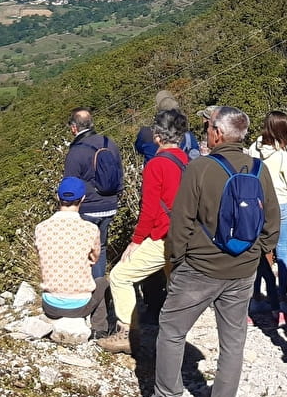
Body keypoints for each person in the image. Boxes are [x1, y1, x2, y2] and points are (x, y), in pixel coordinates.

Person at [134, 107, 280, 397]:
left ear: (217, 133)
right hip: (242, 272)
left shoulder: (200, 167)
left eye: (210, 127)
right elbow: (272, 222)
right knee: (232, 341)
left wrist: (176, 258)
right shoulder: (259, 169)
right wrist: (257, 251)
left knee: (171, 329)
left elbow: (181, 222)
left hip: (198, 268)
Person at [97, 109, 189, 354]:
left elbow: (149, 209)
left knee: (120, 276)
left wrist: (135, 242)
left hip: (162, 235)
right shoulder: (186, 160)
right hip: (184, 235)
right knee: (174, 285)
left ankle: (127, 334)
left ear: (158, 136)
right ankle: (172, 336)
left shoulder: (156, 164)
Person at [248, 110, 287, 324]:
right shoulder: (285, 152)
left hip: (258, 203)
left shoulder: (255, 148)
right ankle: (279, 306)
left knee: (257, 251)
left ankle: (254, 299)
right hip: (281, 204)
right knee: (281, 253)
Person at [35, 177, 110, 323]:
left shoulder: (41, 228)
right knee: (102, 282)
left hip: (50, 306)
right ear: (82, 199)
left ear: (58, 197)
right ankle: (99, 329)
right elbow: (95, 258)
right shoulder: (90, 229)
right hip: (79, 307)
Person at [63, 108, 124, 284]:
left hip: (88, 208)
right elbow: (120, 172)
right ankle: (100, 288)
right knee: (101, 247)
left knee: (82, 250)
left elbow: (69, 187)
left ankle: (84, 289)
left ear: (74, 128)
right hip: (110, 206)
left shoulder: (76, 151)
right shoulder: (109, 142)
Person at [134, 91, 201, 161]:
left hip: (153, 169)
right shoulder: (187, 136)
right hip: (180, 170)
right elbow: (195, 154)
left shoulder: (146, 133)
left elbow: (139, 149)